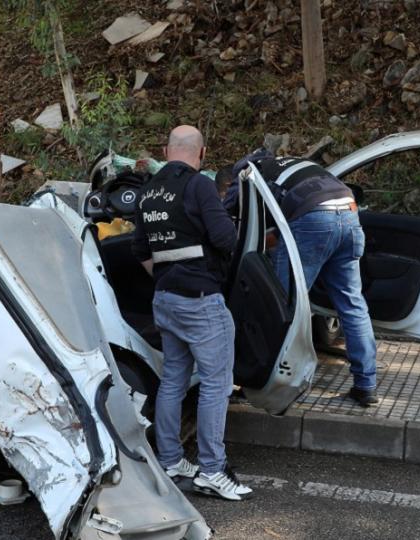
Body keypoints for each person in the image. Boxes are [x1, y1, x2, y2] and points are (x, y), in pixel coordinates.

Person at [131, 125, 252, 501]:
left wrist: (168, 275)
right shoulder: (200, 185)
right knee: (217, 383)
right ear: (201, 154)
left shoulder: (148, 191)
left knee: (173, 380)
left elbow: (140, 248)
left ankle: (170, 460)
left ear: (166, 150)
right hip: (200, 299)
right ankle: (213, 471)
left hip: (165, 298)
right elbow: (225, 239)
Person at [226, 149, 379, 407]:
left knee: (281, 308)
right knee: (352, 305)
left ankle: (270, 385)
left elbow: (229, 218)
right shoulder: (295, 165)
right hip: (350, 215)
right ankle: (366, 386)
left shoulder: (249, 172)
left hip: (313, 220)